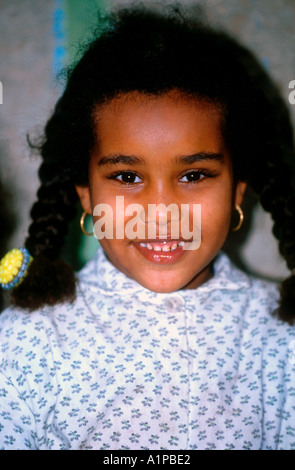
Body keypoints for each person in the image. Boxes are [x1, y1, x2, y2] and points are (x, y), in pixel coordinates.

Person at [0, 5, 295, 451]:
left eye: (194, 175)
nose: (160, 211)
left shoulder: (284, 345)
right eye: (126, 177)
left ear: (237, 190)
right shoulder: (25, 342)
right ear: (86, 194)